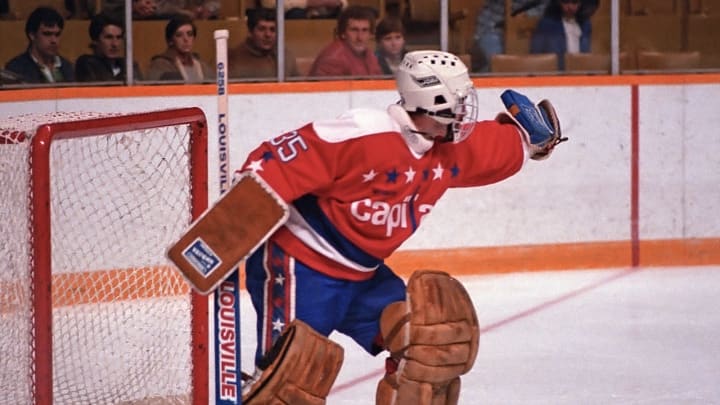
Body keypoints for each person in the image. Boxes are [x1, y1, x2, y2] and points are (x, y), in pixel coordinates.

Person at [236, 50, 565, 404]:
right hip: (301, 265)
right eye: (458, 101)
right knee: (287, 387)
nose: (465, 111)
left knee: (427, 345)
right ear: (433, 99)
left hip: (363, 276)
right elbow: (279, 158)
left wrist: (532, 139)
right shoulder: (366, 132)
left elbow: (497, 146)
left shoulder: (446, 149)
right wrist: (242, 206)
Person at [470, 0, 549, 72]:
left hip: (525, 30)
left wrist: (526, 15)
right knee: (494, 63)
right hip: (492, 26)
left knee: (536, 64)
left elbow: (542, 6)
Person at [4, 6, 74, 84]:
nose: (54, 40)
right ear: (32, 35)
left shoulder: (67, 67)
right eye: (47, 34)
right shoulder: (16, 69)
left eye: (57, 35)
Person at [308, 5, 382, 77]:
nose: (360, 37)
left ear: (371, 34)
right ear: (343, 33)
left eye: (365, 30)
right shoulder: (334, 59)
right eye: (354, 30)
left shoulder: (369, 54)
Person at [228, 8, 299, 79]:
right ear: (250, 32)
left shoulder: (286, 56)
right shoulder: (234, 58)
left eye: (272, 30)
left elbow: (299, 86)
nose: (268, 34)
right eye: (261, 29)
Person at [75, 14, 142, 82]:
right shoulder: (86, 63)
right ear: (95, 40)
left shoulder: (129, 65)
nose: (115, 44)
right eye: (108, 37)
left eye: (119, 38)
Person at [146, 14, 213, 82]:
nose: (186, 39)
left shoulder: (202, 66)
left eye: (189, 34)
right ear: (170, 40)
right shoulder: (160, 65)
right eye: (179, 35)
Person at [530, 0, 594, 70]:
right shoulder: (546, 24)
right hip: (554, 74)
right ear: (558, 2)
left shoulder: (585, 24)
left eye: (574, 2)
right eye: (565, 2)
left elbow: (586, 54)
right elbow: (535, 57)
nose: (570, 7)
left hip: (580, 73)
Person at [258, 0, 347, 19]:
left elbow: (344, 3)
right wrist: (307, 3)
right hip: (290, 17)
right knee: (296, 13)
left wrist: (338, 3)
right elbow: (269, 4)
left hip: (324, 15)